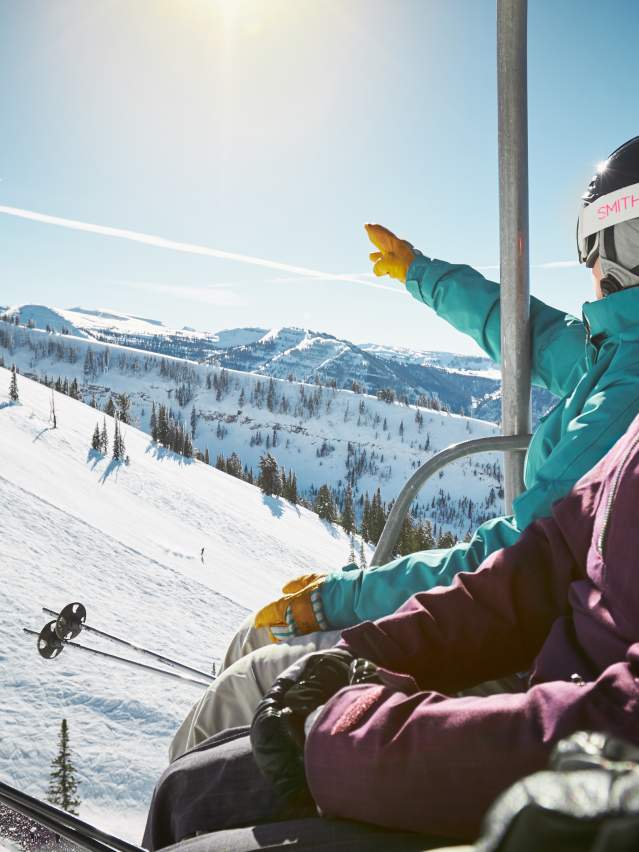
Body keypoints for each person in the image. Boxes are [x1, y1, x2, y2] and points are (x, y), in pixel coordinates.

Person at [170, 136, 639, 759]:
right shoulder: (615, 353)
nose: (588, 266)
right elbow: (530, 332)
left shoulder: (623, 392)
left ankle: (196, 809)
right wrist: (424, 274)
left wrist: (341, 597)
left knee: (248, 680)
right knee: (252, 655)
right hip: (538, 628)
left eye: (592, 242)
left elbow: (513, 558)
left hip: (540, 653)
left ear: (608, 242)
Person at [144, 407, 639, 849]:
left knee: (196, 820)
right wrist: (364, 653)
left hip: (574, 800)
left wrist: (349, 738)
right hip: (534, 731)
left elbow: (622, 722)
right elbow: (543, 561)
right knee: (188, 789)